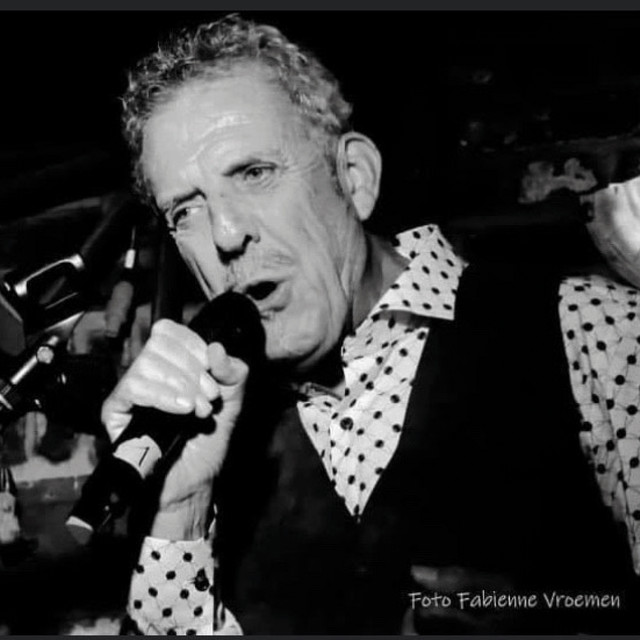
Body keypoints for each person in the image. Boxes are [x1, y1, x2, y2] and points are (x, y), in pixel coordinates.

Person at [103, 13, 640, 634]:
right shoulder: (212, 436)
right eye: (185, 211)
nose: (225, 235)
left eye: (254, 173)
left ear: (354, 178)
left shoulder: (589, 330)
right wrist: (180, 508)